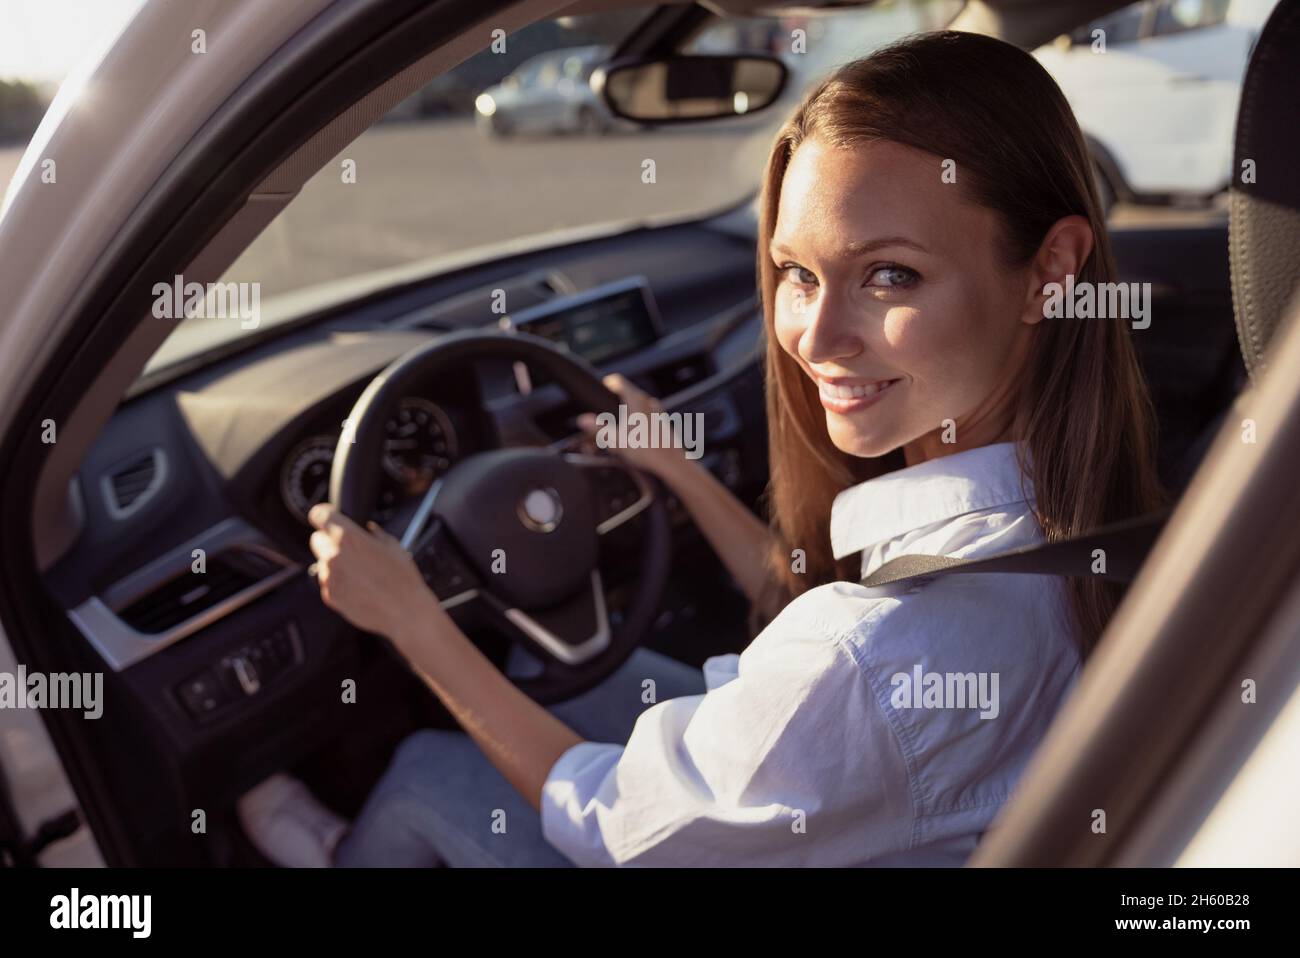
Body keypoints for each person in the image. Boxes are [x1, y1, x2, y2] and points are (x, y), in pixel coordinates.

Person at [237, 30, 1162, 867]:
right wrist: (676, 469)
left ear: (1052, 270)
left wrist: (414, 623)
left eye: (890, 274)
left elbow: (607, 822)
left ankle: (338, 851)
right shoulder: (1063, 511)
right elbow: (813, 614)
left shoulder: (870, 660)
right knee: (557, 671)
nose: (815, 336)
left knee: (424, 771)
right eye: (797, 273)